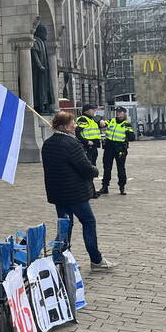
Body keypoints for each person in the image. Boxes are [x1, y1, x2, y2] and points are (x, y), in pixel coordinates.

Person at [41, 111, 115, 271]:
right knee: (88, 222)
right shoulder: (71, 144)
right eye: (72, 123)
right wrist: (95, 170)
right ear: (65, 127)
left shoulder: (48, 144)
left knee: (65, 225)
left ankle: (60, 257)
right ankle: (96, 259)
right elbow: (85, 168)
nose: (75, 125)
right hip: (75, 193)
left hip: (58, 193)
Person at [98, 107, 135, 196]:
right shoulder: (112, 121)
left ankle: (122, 187)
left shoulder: (127, 124)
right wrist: (101, 122)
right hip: (109, 147)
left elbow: (132, 138)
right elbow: (102, 124)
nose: (118, 114)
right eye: (117, 112)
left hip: (120, 148)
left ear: (124, 113)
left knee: (121, 168)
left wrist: (128, 131)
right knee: (107, 167)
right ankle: (105, 186)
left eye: (120, 112)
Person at [75, 103, 104, 199]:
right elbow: (78, 132)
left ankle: (91, 191)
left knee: (91, 168)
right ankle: (90, 192)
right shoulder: (83, 119)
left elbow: (100, 123)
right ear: (87, 110)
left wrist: (101, 121)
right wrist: (86, 142)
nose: (94, 111)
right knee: (88, 169)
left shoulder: (91, 119)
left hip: (93, 148)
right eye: (92, 110)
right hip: (87, 147)